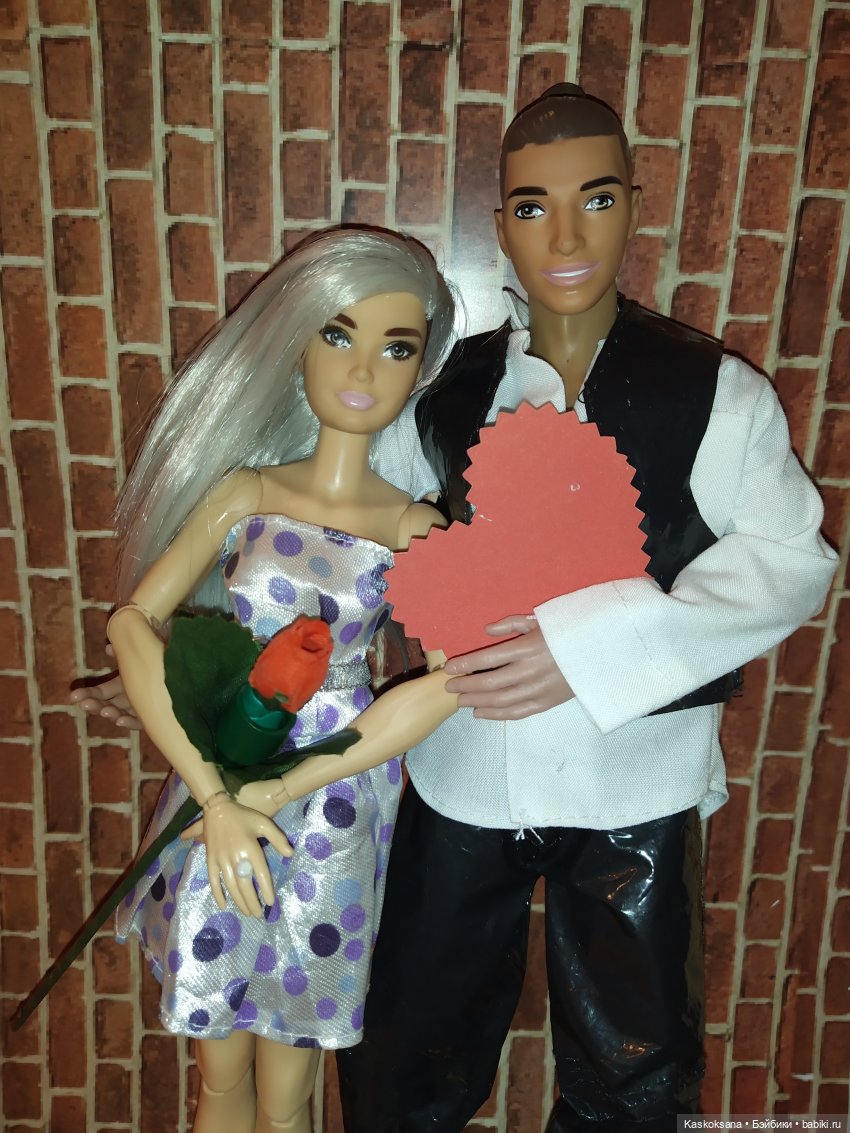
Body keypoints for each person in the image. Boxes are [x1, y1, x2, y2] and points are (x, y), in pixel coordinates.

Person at [331, 85, 839, 1131]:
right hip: (462, 766)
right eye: (533, 207)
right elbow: (356, 535)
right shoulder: (446, 395)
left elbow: (790, 558)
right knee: (405, 1049)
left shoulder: (712, 391)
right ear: (501, 224)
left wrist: (595, 649)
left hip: (633, 781)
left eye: (595, 199)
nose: (564, 236)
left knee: (635, 1067)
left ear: (634, 207)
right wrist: (240, 654)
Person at [100, 228, 463, 1133]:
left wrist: (281, 786)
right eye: (338, 334)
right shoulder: (245, 494)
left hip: (334, 802)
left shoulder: (416, 528)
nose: (363, 368)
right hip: (222, 769)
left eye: (397, 347)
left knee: (289, 1078)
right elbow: (131, 625)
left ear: (421, 369)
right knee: (218, 1063)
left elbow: (451, 680)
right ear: (298, 343)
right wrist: (214, 793)